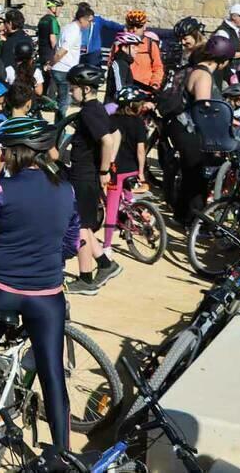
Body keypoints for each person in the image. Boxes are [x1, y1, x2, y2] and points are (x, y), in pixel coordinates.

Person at [0, 116, 78, 455]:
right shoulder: (67, 190)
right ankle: (62, 451)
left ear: (16, 153)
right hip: (46, 294)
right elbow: (72, 245)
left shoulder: (0, 190)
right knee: (52, 373)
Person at [63, 63, 122, 295]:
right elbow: (116, 134)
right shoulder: (98, 108)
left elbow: (107, 140)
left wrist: (104, 170)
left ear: (85, 89)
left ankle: (86, 279)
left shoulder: (89, 112)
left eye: (73, 88)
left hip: (85, 177)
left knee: (79, 226)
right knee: (84, 224)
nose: (70, 92)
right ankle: (107, 265)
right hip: (87, 175)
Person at [166, 36, 235, 225]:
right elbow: (203, 109)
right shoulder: (203, 75)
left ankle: (182, 217)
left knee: (190, 173)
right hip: (188, 130)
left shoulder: (193, 69)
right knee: (198, 176)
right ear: (223, 60)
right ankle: (196, 222)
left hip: (179, 127)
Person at [103, 86, 150, 253]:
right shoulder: (138, 123)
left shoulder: (111, 120)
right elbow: (140, 151)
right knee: (129, 199)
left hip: (116, 170)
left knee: (112, 205)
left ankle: (107, 245)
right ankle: (145, 220)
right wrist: (141, 172)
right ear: (132, 105)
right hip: (132, 169)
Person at [49, 4, 87, 123]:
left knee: (65, 99)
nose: (90, 24)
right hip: (63, 69)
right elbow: (62, 51)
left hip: (62, 68)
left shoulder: (69, 27)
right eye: (89, 21)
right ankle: (59, 128)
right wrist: (51, 63)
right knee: (64, 102)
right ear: (82, 19)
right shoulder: (74, 31)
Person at [125, 10, 164, 89]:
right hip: (125, 89)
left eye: (138, 26)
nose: (134, 29)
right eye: (131, 26)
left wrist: (155, 83)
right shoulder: (120, 44)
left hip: (144, 90)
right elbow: (111, 64)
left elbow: (158, 67)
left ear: (144, 27)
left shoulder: (151, 45)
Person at [104, 32, 141, 107]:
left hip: (121, 106)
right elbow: (120, 88)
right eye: (134, 47)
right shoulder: (119, 63)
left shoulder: (125, 63)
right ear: (124, 48)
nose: (137, 50)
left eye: (137, 47)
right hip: (114, 107)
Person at [37, 0, 64, 78]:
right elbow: (53, 39)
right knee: (51, 82)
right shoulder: (53, 20)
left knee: (44, 79)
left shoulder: (42, 20)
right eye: (59, 8)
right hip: (50, 54)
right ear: (53, 8)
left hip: (42, 53)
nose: (60, 11)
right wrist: (57, 54)